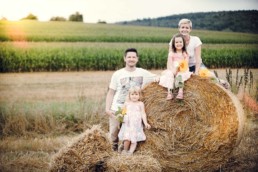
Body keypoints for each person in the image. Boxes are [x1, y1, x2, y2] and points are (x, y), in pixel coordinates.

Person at [105, 48, 157, 151]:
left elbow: (158, 77)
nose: (131, 59)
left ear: (137, 59)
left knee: (130, 134)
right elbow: (111, 92)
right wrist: (107, 109)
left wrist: (158, 78)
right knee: (113, 134)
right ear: (125, 59)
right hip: (117, 109)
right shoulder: (117, 74)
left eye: (134, 57)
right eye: (129, 57)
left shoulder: (143, 73)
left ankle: (124, 152)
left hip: (133, 112)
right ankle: (112, 155)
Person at [118, 86, 151, 155]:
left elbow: (143, 113)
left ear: (139, 95)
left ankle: (130, 153)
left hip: (136, 125)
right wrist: (120, 118)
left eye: (136, 94)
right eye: (132, 94)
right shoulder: (127, 103)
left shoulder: (140, 104)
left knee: (134, 140)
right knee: (127, 138)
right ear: (129, 95)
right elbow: (122, 112)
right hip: (127, 124)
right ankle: (125, 150)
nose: (134, 96)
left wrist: (146, 123)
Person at [160, 33, 192, 100]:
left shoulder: (185, 54)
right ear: (173, 44)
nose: (178, 44)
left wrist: (179, 69)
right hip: (173, 69)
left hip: (182, 70)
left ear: (183, 43)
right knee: (169, 74)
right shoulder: (171, 54)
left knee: (180, 75)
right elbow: (169, 65)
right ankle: (170, 92)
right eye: (176, 42)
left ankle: (180, 91)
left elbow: (185, 64)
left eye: (180, 42)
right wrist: (173, 71)